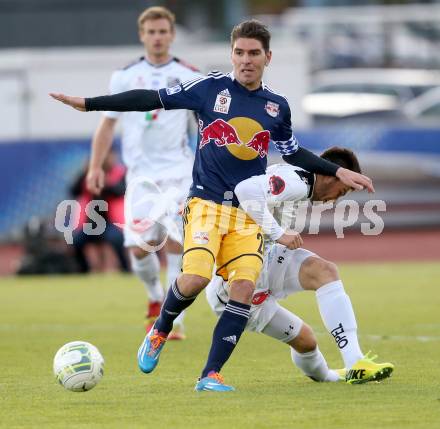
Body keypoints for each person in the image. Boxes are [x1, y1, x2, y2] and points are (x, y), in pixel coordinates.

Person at [50, 20, 375, 392]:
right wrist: (90, 105)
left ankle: (210, 375)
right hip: (205, 203)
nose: (246, 60)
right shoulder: (210, 88)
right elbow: (151, 98)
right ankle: (159, 331)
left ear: (268, 57)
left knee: (243, 287)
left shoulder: (276, 107)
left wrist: (337, 172)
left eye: (254, 53)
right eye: (240, 52)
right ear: (231, 54)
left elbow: (293, 152)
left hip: (244, 216)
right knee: (195, 278)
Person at [205, 146, 393, 385]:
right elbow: (246, 190)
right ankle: (207, 373)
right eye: (341, 190)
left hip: (264, 259)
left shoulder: (299, 180)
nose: (336, 199)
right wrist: (279, 233)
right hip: (236, 278)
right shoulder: (295, 181)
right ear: (327, 175)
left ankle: (353, 364)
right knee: (306, 340)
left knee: (323, 275)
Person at [86, 6, 201, 338]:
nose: (157, 37)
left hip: (179, 172)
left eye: (163, 31)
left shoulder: (189, 74)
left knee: (178, 243)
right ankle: (154, 296)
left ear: (172, 34)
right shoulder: (124, 76)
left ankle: (173, 320)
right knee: (140, 248)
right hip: (140, 176)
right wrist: (96, 165)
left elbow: (204, 124)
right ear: (142, 35)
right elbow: (107, 124)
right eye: (151, 32)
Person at [71, 150, 129, 273]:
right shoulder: (88, 174)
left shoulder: (119, 173)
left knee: (117, 240)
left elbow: (121, 190)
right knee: (76, 241)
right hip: (91, 224)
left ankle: (125, 269)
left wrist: (104, 184)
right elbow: (73, 190)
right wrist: (86, 172)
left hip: (111, 222)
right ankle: (83, 271)